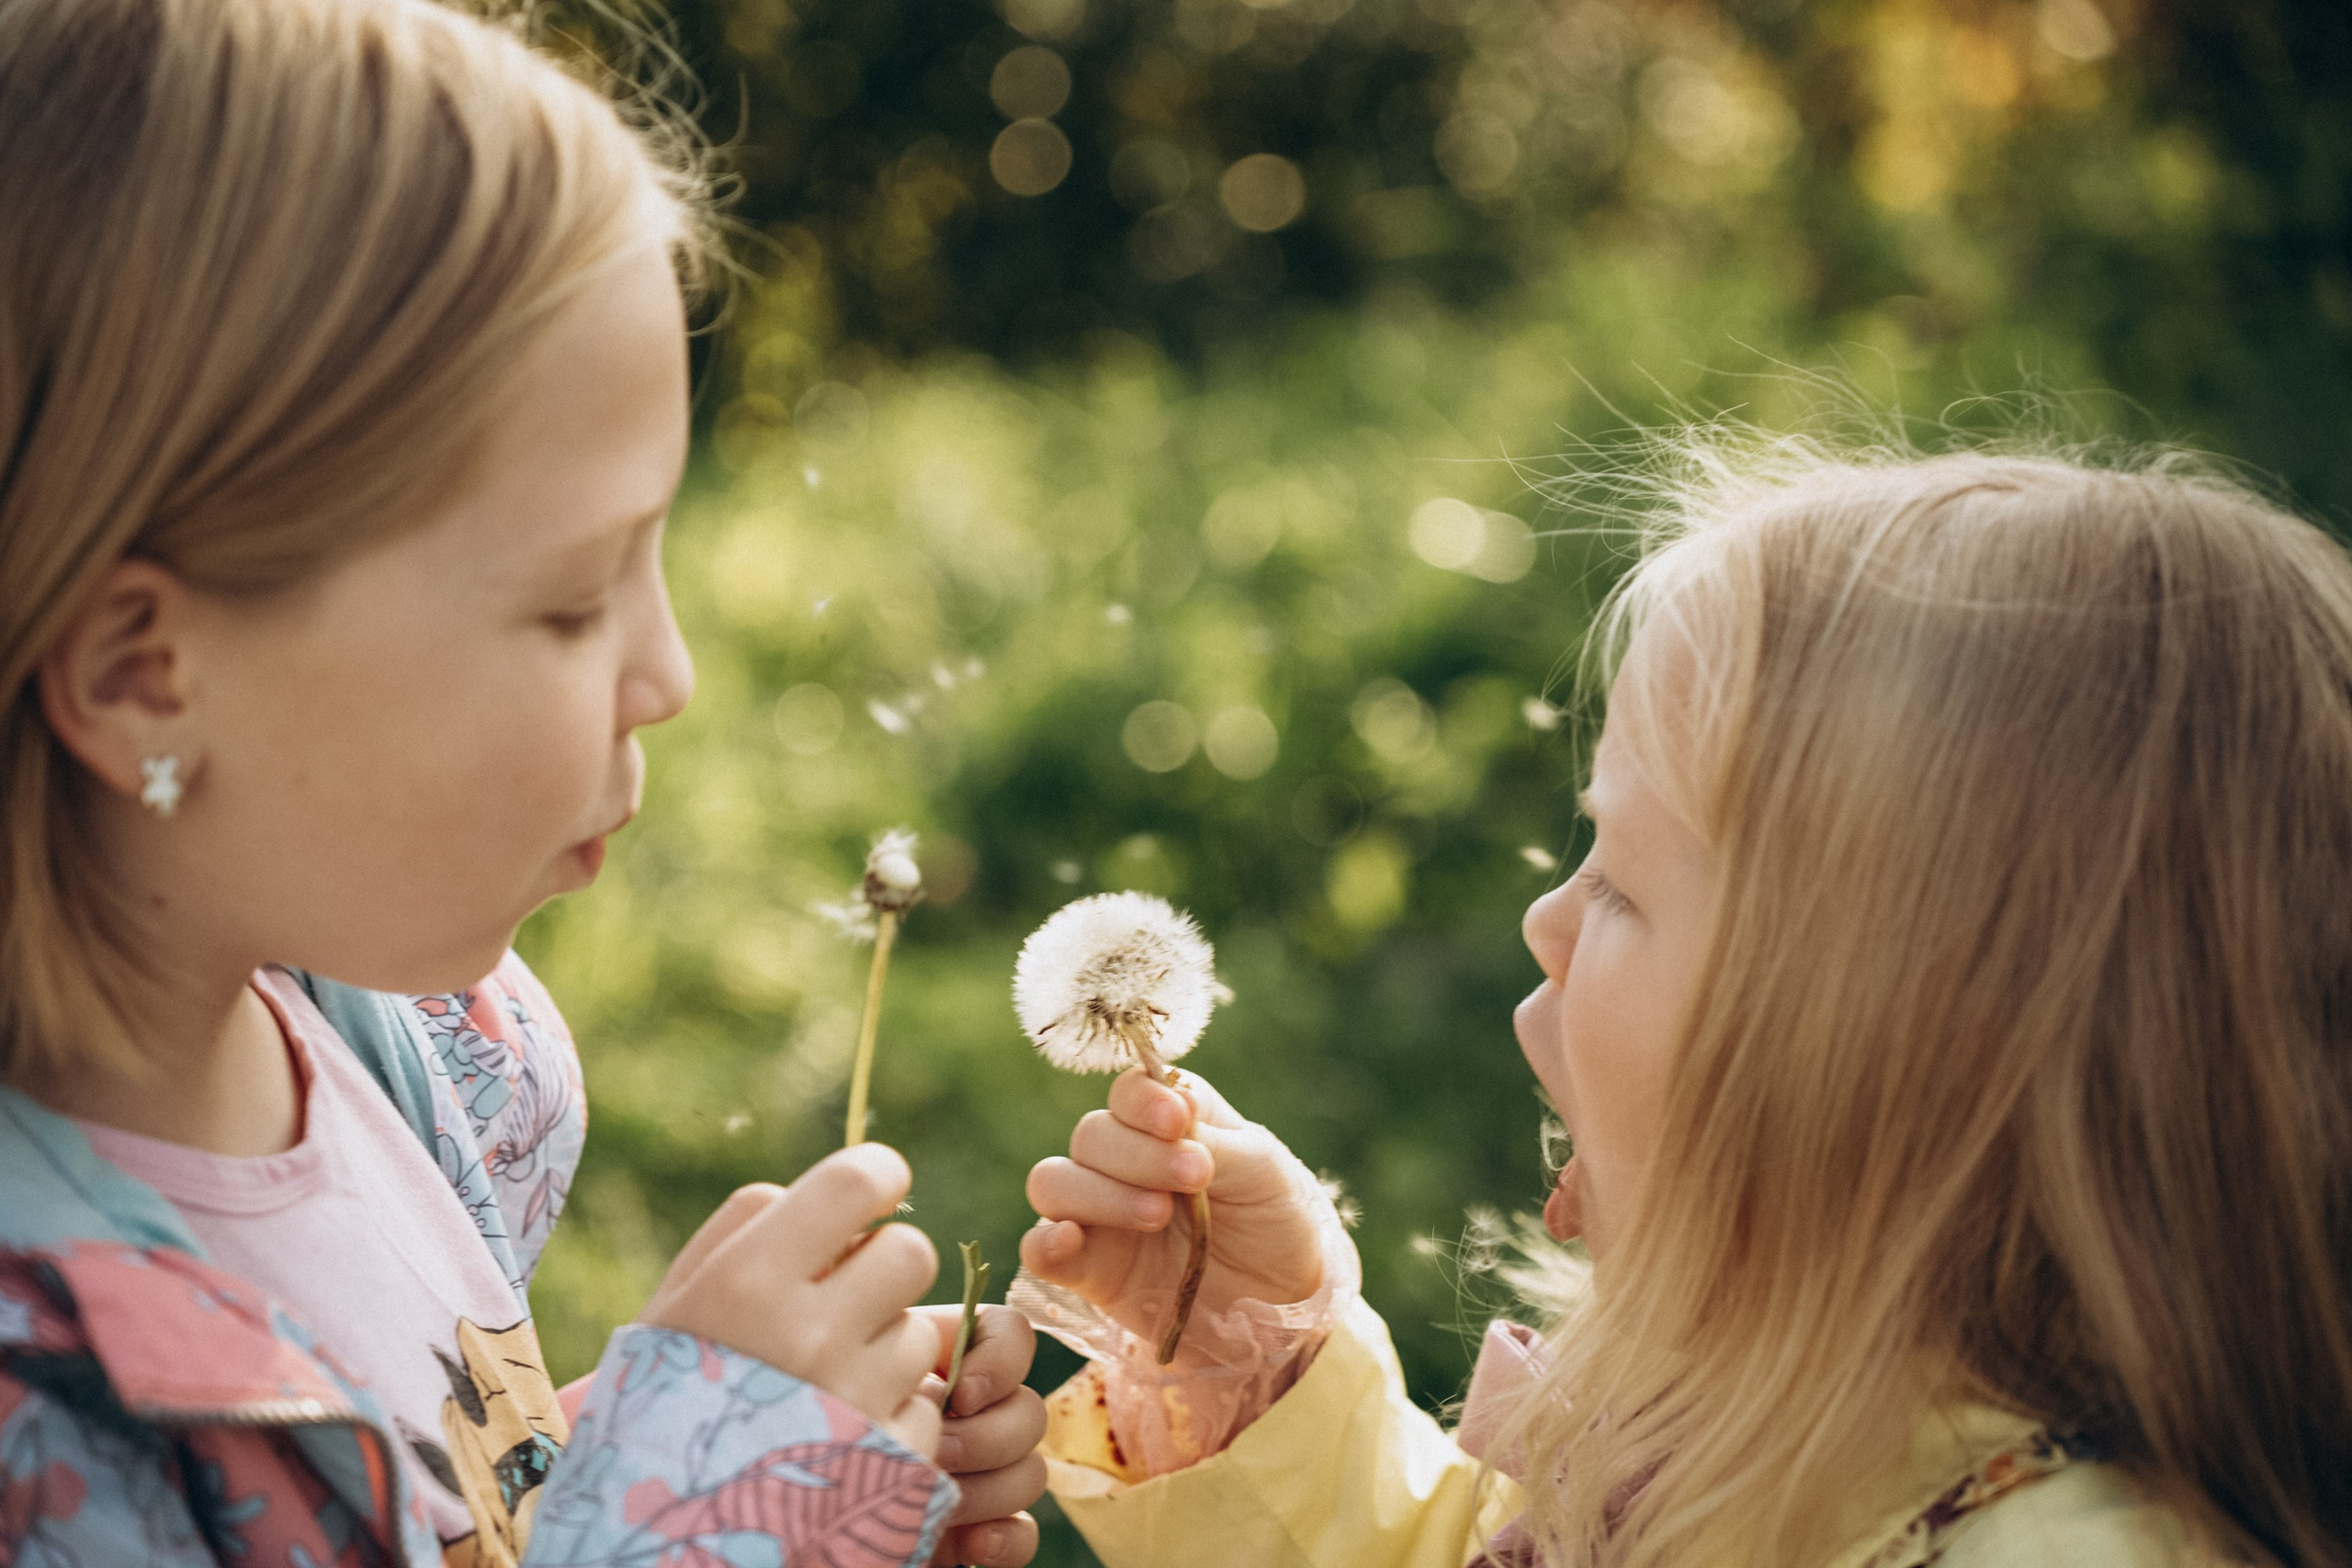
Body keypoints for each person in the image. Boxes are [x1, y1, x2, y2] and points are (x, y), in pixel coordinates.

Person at [0, 3, 1046, 1564]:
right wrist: (688, 1532)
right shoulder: (43, 1435)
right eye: (571, 602)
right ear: (145, 675)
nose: (669, 676)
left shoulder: (386, 1058)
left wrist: (763, 1469)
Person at [1017, 445, 2352, 1567]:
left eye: (1620, 884)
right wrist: (1255, 1385)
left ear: (1877, 1048)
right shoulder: (1788, 1470)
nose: (1545, 920)